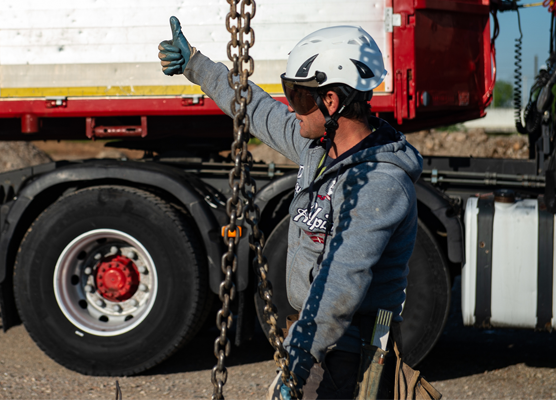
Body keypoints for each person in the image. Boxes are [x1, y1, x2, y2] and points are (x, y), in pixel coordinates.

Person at [159, 17, 423, 399]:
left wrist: (297, 363)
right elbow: (258, 110)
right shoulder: (317, 150)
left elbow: (340, 284)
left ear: (330, 101)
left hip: (346, 359)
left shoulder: (379, 183)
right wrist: (196, 65)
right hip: (315, 344)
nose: (290, 106)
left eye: (299, 96)